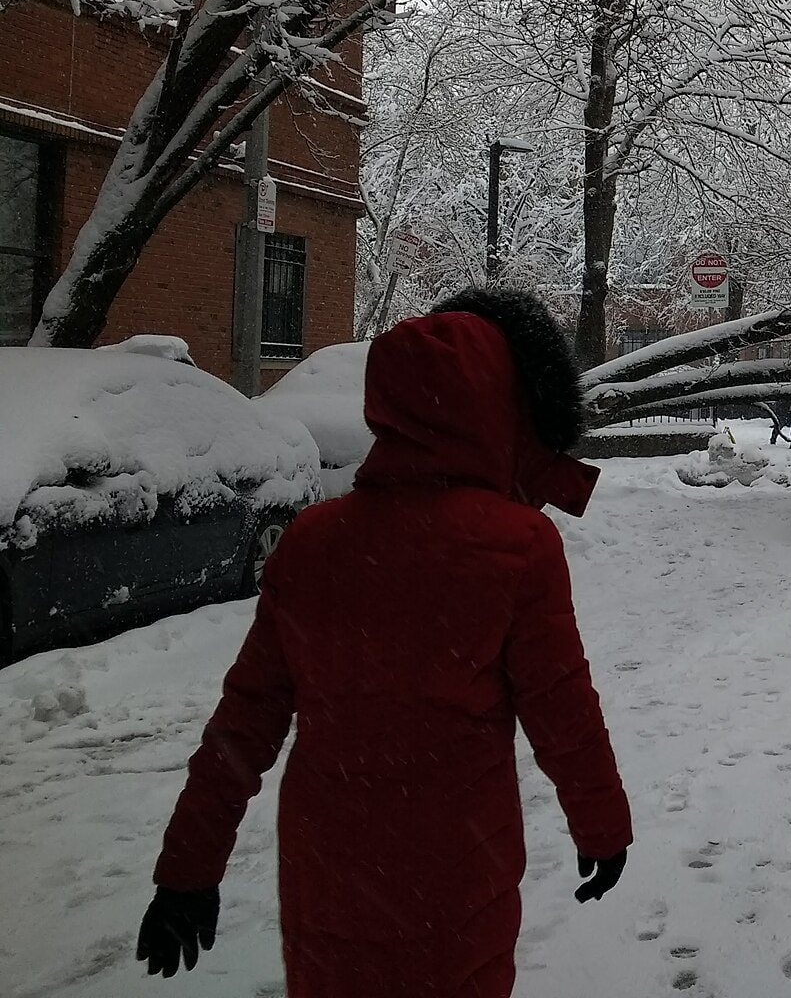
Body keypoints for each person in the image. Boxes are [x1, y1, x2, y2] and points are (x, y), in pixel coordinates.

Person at [139, 288, 632, 996]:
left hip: (328, 871)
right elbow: (564, 714)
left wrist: (189, 869)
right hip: (459, 869)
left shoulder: (313, 542)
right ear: (502, 403)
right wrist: (602, 824)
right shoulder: (518, 545)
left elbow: (243, 724)